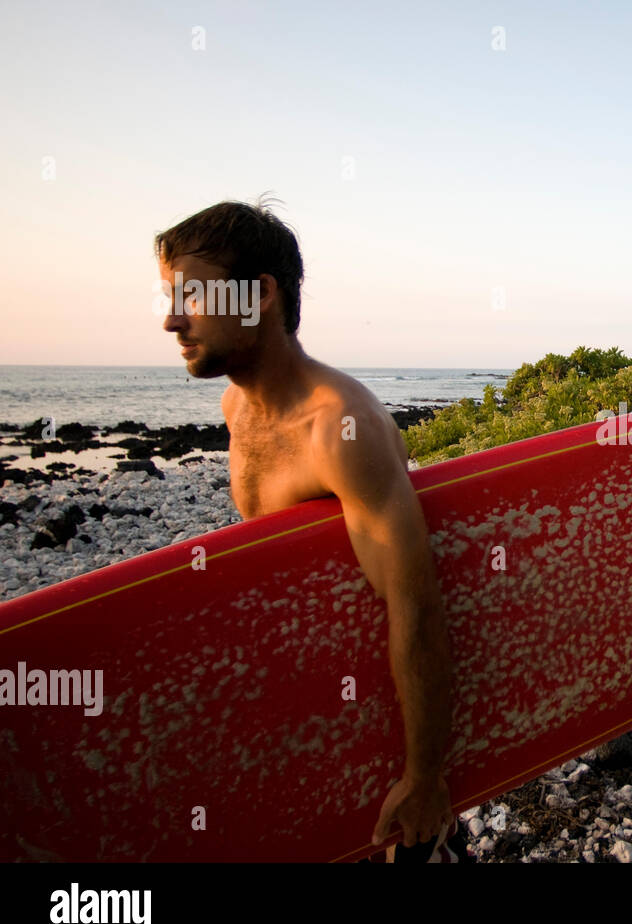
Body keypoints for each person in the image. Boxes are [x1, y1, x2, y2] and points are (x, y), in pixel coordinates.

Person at [156, 198, 460, 861]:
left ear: (258, 295)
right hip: (307, 704)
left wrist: (423, 777)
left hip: (378, 722)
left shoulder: (341, 428)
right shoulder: (233, 405)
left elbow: (414, 601)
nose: (171, 318)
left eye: (191, 296)